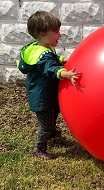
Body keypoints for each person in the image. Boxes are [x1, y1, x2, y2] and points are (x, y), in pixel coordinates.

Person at [17, 11, 81, 160]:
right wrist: (64, 73)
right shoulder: (42, 56)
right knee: (45, 124)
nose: (60, 35)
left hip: (48, 94)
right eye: (56, 32)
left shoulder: (42, 47)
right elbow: (49, 68)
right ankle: (40, 149)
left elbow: (51, 59)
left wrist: (60, 60)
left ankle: (52, 133)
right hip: (41, 97)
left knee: (54, 114)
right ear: (43, 34)